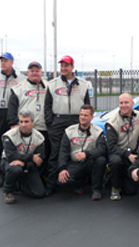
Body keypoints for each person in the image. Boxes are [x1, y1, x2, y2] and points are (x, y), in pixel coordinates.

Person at [44, 55, 91, 196]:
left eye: (66, 65)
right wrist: (50, 123)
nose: (63, 68)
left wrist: (84, 121)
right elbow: (47, 105)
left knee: (76, 153)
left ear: (72, 67)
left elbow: (87, 106)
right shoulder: (52, 84)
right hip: (58, 121)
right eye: (61, 66)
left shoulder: (83, 85)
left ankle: (77, 183)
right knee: (55, 153)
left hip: (77, 120)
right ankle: (51, 185)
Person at [0, 52, 26, 189]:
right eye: (1, 60)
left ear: (12, 62)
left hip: (13, 115)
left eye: (6, 61)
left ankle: (13, 174)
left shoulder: (21, 79)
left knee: (14, 145)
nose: (3, 63)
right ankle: (0, 175)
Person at [7, 61, 50, 178]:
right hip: (26, 129)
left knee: (43, 155)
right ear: (28, 72)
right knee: (26, 154)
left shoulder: (49, 87)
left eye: (37, 71)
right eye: (32, 71)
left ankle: (41, 178)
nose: (34, 73)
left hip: (44, 127)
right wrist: (13, 124)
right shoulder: (18, 88)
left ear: (41, 72)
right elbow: (12, 108)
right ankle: (23, 178)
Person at [56, 105, 107, 200]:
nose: (82, 117)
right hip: (74, 163)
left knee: (100, 160)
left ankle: (96, 190)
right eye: (81, 115)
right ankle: (80, 182)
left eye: (86, 115)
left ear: (92, 117)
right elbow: (63, 151)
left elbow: (102, 149)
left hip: (89, 162)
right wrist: (62, 168)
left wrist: (86, 154)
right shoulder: (69, 131)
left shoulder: (98, 131)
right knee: (62, 182)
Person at [105, 92, 139, 200]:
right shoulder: (112, 122)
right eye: (121, 103)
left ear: (132, 103)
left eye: (126, 102)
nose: (123, 105)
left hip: (132, 153)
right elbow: (111, 146)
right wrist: (127, 155)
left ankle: (119, 176)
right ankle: (115, 186)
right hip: (117, 153)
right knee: (116, 162)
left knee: (131, 191)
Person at [1, 110, 45, 204]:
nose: (23, 124)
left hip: (27, 165)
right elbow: (11, 156)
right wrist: (31, 157)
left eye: (26, 121)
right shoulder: (9, 136)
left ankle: (19, 184)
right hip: (9, 163)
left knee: (39, 193)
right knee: (15, 169)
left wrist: (24, 163)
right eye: (21, 121)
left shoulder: (39, 137)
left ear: (33, 122)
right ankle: (8, 190)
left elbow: (39, 159)